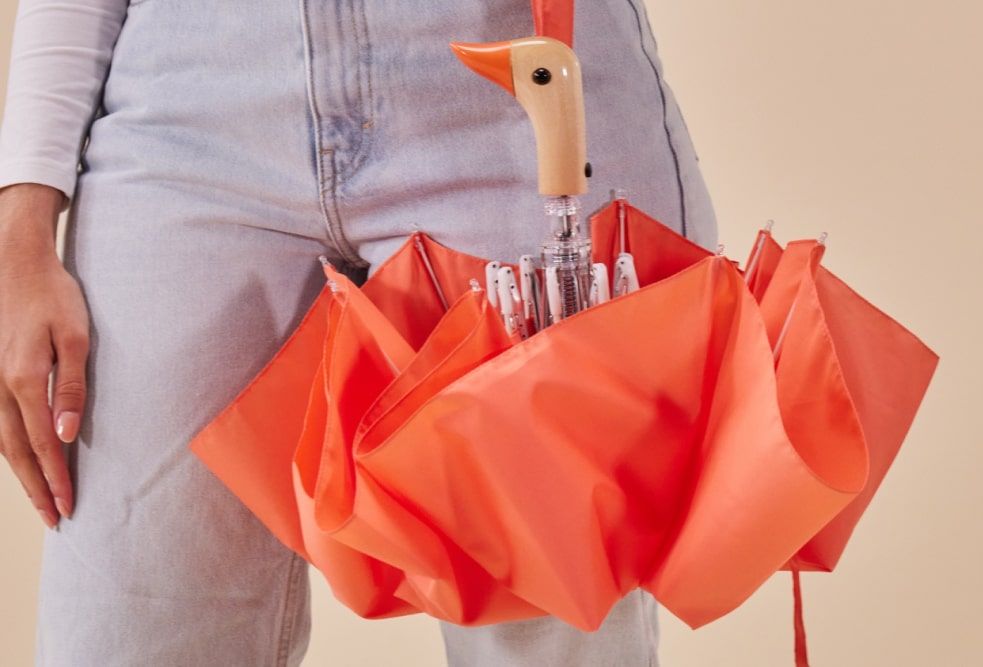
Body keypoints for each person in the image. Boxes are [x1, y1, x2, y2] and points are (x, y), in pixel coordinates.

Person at [0, 0, 718, 664]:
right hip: (185, 106)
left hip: (514, 87)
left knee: (553, 628)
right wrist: (19, 222)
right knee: (135, 627)